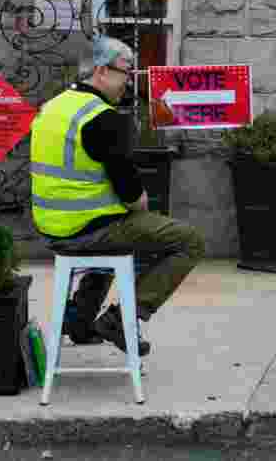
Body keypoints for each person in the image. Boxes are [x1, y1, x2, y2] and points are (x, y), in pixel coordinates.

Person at [31, 36, 205, 355]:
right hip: (85, 230)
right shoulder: (102, 117)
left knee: (121, 229)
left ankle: (80, 320)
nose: (129, 80)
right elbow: (131, 194)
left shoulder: (52, 106)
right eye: (125, 71)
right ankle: (120, 319)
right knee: (187, 240)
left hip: (50, 226)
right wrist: (141, 206)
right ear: (101, 71)